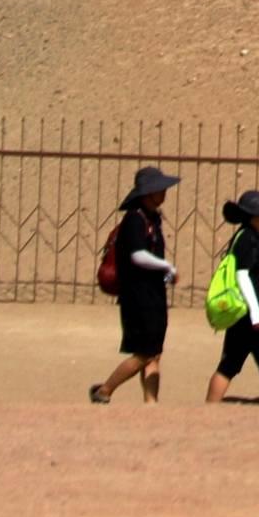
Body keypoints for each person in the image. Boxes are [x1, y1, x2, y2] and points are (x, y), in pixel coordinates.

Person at [90, 165, 178, 404]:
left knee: (154, 354)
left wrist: (164, 273)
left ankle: (151, 403)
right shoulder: (134, 219)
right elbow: (137, 256)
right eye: (160, 189)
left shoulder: (153, 219)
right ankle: (104, 391)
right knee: (144, 353)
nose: (164, 193)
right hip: (138, 299)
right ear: (148, 193)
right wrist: (166, 266)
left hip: (154, 295)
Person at [205, 189, 259, 405]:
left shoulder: (252, 237)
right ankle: (208, 410)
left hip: (253, 316)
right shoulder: (246, 239)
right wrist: (257, 312)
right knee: (240, 365)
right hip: (249, 316)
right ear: (254, 214)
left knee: (258, 364)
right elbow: (242, 275)